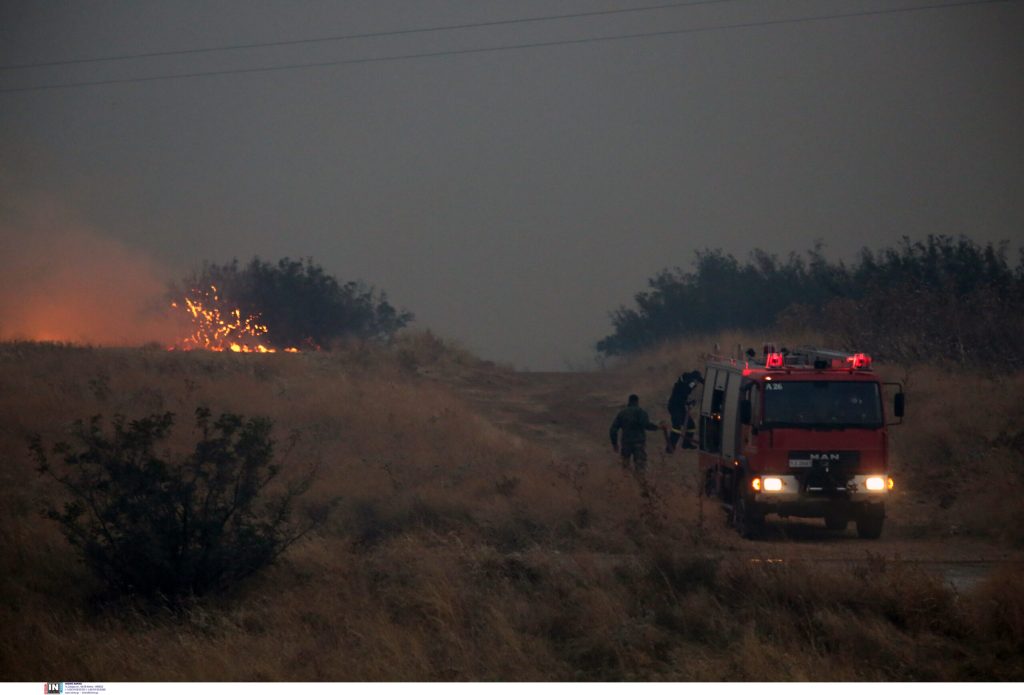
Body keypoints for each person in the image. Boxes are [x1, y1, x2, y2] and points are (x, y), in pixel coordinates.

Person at [609, 394, 662, 474]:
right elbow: (646, 425)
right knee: (640, 467)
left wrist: (615, 444)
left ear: (629, 402)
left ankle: (626, 484)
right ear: (637, 402)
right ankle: (640, 484)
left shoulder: (622, 413)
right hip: (639, 443)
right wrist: (658, 427)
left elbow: (613, 430)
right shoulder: (641, 412)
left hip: (626, 444)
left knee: (625, 468)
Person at [666, 370, 704, 452]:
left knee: (691, 426)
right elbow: (682, 393)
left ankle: (686, 444)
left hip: (680, 406)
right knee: (677, 427)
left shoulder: (685, 383)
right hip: (675, 407)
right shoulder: (686, 384)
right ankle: (670, 448)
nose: (696, 385)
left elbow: (682, 396)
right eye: (696, 382)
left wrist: (688, 402)